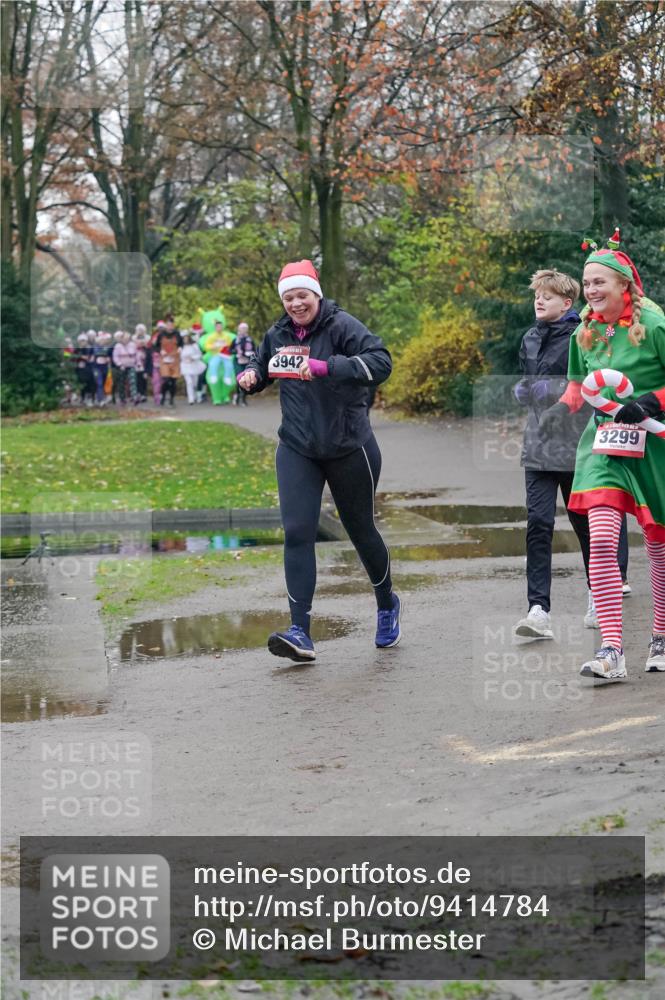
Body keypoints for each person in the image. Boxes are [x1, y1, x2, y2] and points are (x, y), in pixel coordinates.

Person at [237, 259, 401, 662]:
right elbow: (264, 363)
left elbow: (381, 361)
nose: (296, 304)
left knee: (360, 530)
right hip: (298, 446)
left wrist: (327, 367)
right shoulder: (277, 333)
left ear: (316, 295)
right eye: (289, 298)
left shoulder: (342, 326)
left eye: (302, 296)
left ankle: (386, 603)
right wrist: (252, 376)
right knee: (297, 531)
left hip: (349, 445)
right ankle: (300, 631)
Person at [540, 235, 665, 679]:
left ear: (624, 285)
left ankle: (661, 635)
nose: (591, 291)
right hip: (605, 441)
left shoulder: (654, 324)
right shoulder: (584, 331)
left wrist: (650, 402)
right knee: (602, 538)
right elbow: (579, 387)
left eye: (599, 282)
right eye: (587, 283)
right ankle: (612, 650)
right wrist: (560, 410)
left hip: (654, 443)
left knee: (657, 543)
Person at [513, 269, 629, 639]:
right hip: (538, 443)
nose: (539, 300)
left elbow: (595, 384)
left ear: (567, 303)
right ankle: (538, 611)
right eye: (537, 295)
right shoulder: (529, 338)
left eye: (547, 296)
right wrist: (523, 389)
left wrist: (554, 389)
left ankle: (599, 596)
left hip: (577, 445)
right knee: (538, 523)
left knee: (586, 526)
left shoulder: (585, 336)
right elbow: (528, 380)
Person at [232, 321, 256, 406]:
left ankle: (243, 399)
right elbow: (230, 350)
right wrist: (236, 352)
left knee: (246, 380)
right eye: (242, 328)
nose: (244, 330)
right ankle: (237, 396)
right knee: (239, 379)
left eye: (245, 328)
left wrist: (250, 353)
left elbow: (255, 350)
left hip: (247, 362)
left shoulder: (250, 339)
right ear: (239, 329)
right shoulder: (235, 339)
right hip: (238, 362)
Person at [181, 332, 206, 404]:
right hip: (185, 366)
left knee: (195, 383)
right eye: (184, 338)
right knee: (189, 382)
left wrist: (193, 358)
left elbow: (199, 354)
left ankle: (195, 395)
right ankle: (191, 399)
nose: (185, 339)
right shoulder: (181, 346)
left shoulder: (194, 345)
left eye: (186, 338)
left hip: (194, 366)